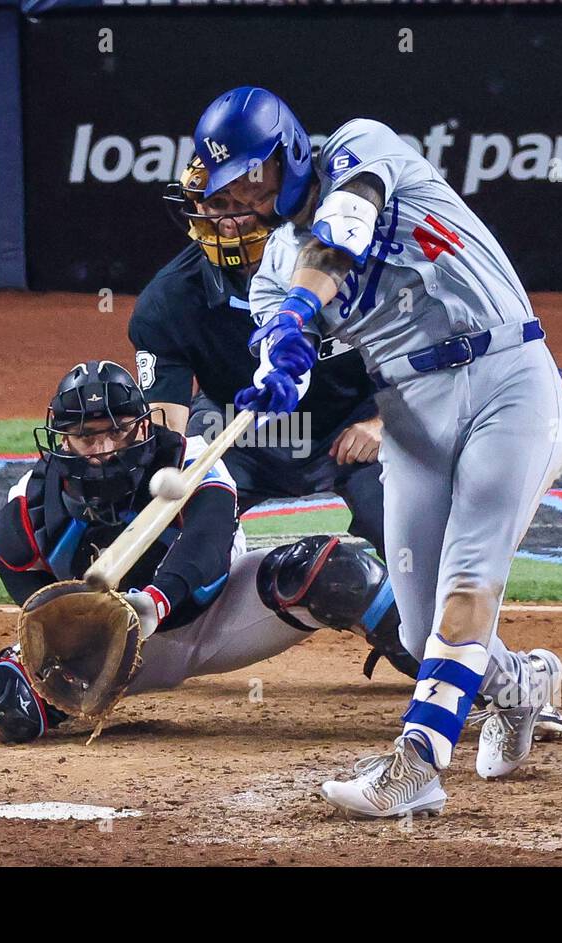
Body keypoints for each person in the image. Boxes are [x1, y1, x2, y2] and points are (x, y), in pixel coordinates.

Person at [190, 87, 562, 817]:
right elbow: (285, 342)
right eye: (224, 184)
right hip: (410, 414)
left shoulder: (360, 148)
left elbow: (346, 224)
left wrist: (304, 307)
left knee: (470, 577)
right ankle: (522, 684)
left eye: (247, 173)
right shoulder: (274, 267)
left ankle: (416, 764)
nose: (236, 195)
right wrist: (279, 366)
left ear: (288, 152)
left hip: (508, 379)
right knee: (420, 623)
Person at [0, 360, 417, 740]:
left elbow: (205, 551)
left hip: (220, 615)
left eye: (117, 431)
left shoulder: (191, 461)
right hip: (109, 652)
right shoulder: (28, 511)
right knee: (3, 704)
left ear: (142, 427)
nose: (102, 448)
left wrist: (151, 603)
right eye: (85, 435)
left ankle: (447, 672)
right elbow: (38, 607)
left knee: (339, 573)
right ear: (62, 440)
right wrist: (76, 642)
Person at [129, 157, 393, 638]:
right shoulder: (165, 304)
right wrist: (172, 488)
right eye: (215, 204)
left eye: (242, 205)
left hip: (351, 429)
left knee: (407, 524)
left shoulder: (346, 266)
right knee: (166, 521)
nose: (227, 220)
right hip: (241, 430)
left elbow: (419, 354)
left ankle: (421, 639)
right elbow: (163, 435)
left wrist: (383, 423)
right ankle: (158, 629)